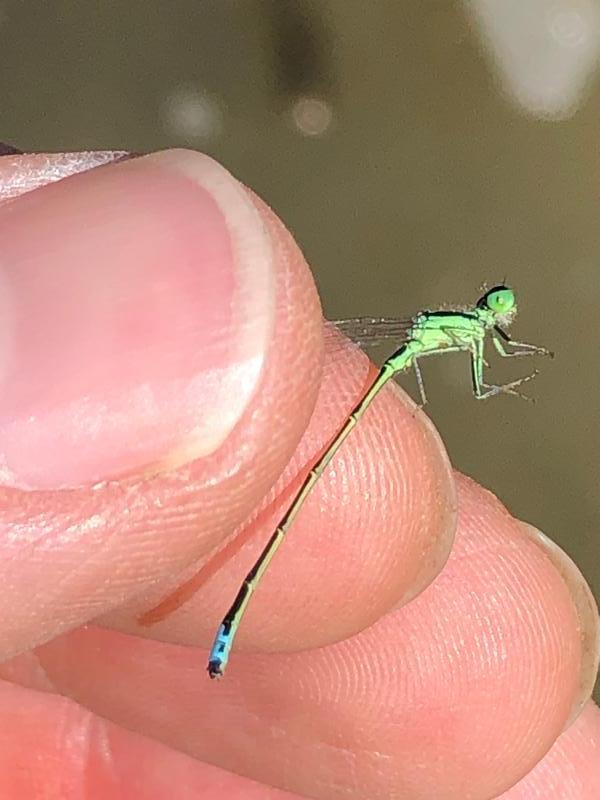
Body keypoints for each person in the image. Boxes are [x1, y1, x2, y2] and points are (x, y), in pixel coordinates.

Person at [0, 146, 597, 799]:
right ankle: (231, 619)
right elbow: (479, 383)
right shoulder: (467, 333)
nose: (499, 318)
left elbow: (488, 362)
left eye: (499, 310)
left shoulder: (475, 331)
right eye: (498, 311)